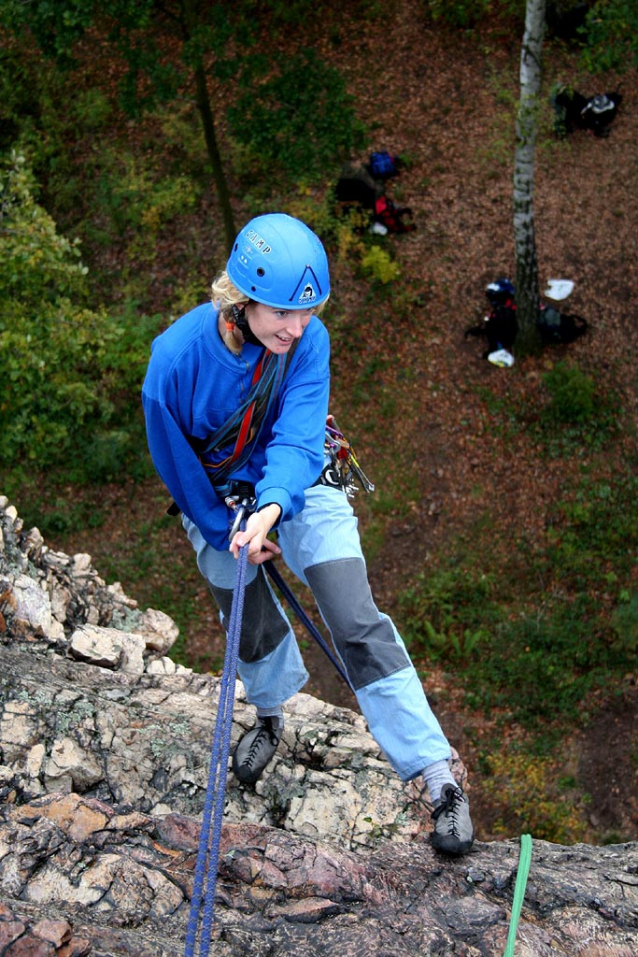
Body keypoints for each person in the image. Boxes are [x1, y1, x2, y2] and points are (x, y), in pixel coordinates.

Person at [142, 212, 474, 856]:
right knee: (251, 614)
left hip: (299, 481)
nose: (296, 329)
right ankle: (269, 714)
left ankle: (435, 773)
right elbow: (176, 466)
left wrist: (270, 507)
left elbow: (298, 433)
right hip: (216, 500)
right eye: (281, 315)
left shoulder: (307, 342)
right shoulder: (173, 362)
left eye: (308, 312)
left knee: (354, 617)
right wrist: (224, 527)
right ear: (239, 303)